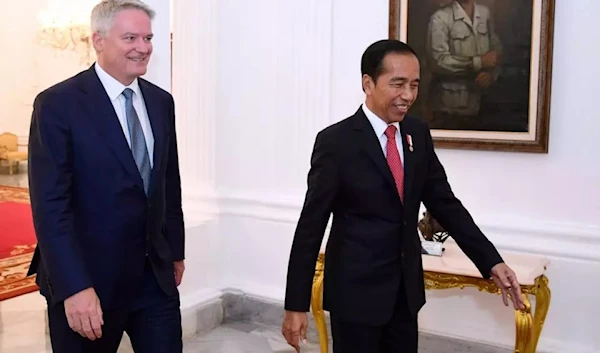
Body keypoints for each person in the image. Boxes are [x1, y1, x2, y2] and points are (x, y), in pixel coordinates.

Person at [281, 39, 525, 353]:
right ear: (368, 83)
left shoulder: (417, 134)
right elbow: (310, 227)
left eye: (414, 85)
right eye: (398, 84)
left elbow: (445, 203)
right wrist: (296, 304)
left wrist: (491, 261)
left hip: (405, 295)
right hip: (356, 296)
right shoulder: (336, 142)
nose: (408, 95)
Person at [26, 1, 185, 352]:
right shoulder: (57, 104)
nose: (143, 47)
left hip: (153, 281)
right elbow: (51, 206)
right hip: (88, 283)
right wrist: (74, 287)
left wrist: (174, 251)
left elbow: (167, 185)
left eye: (147, 37)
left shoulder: (162, 102)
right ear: (98, 40)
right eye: (130, 37)